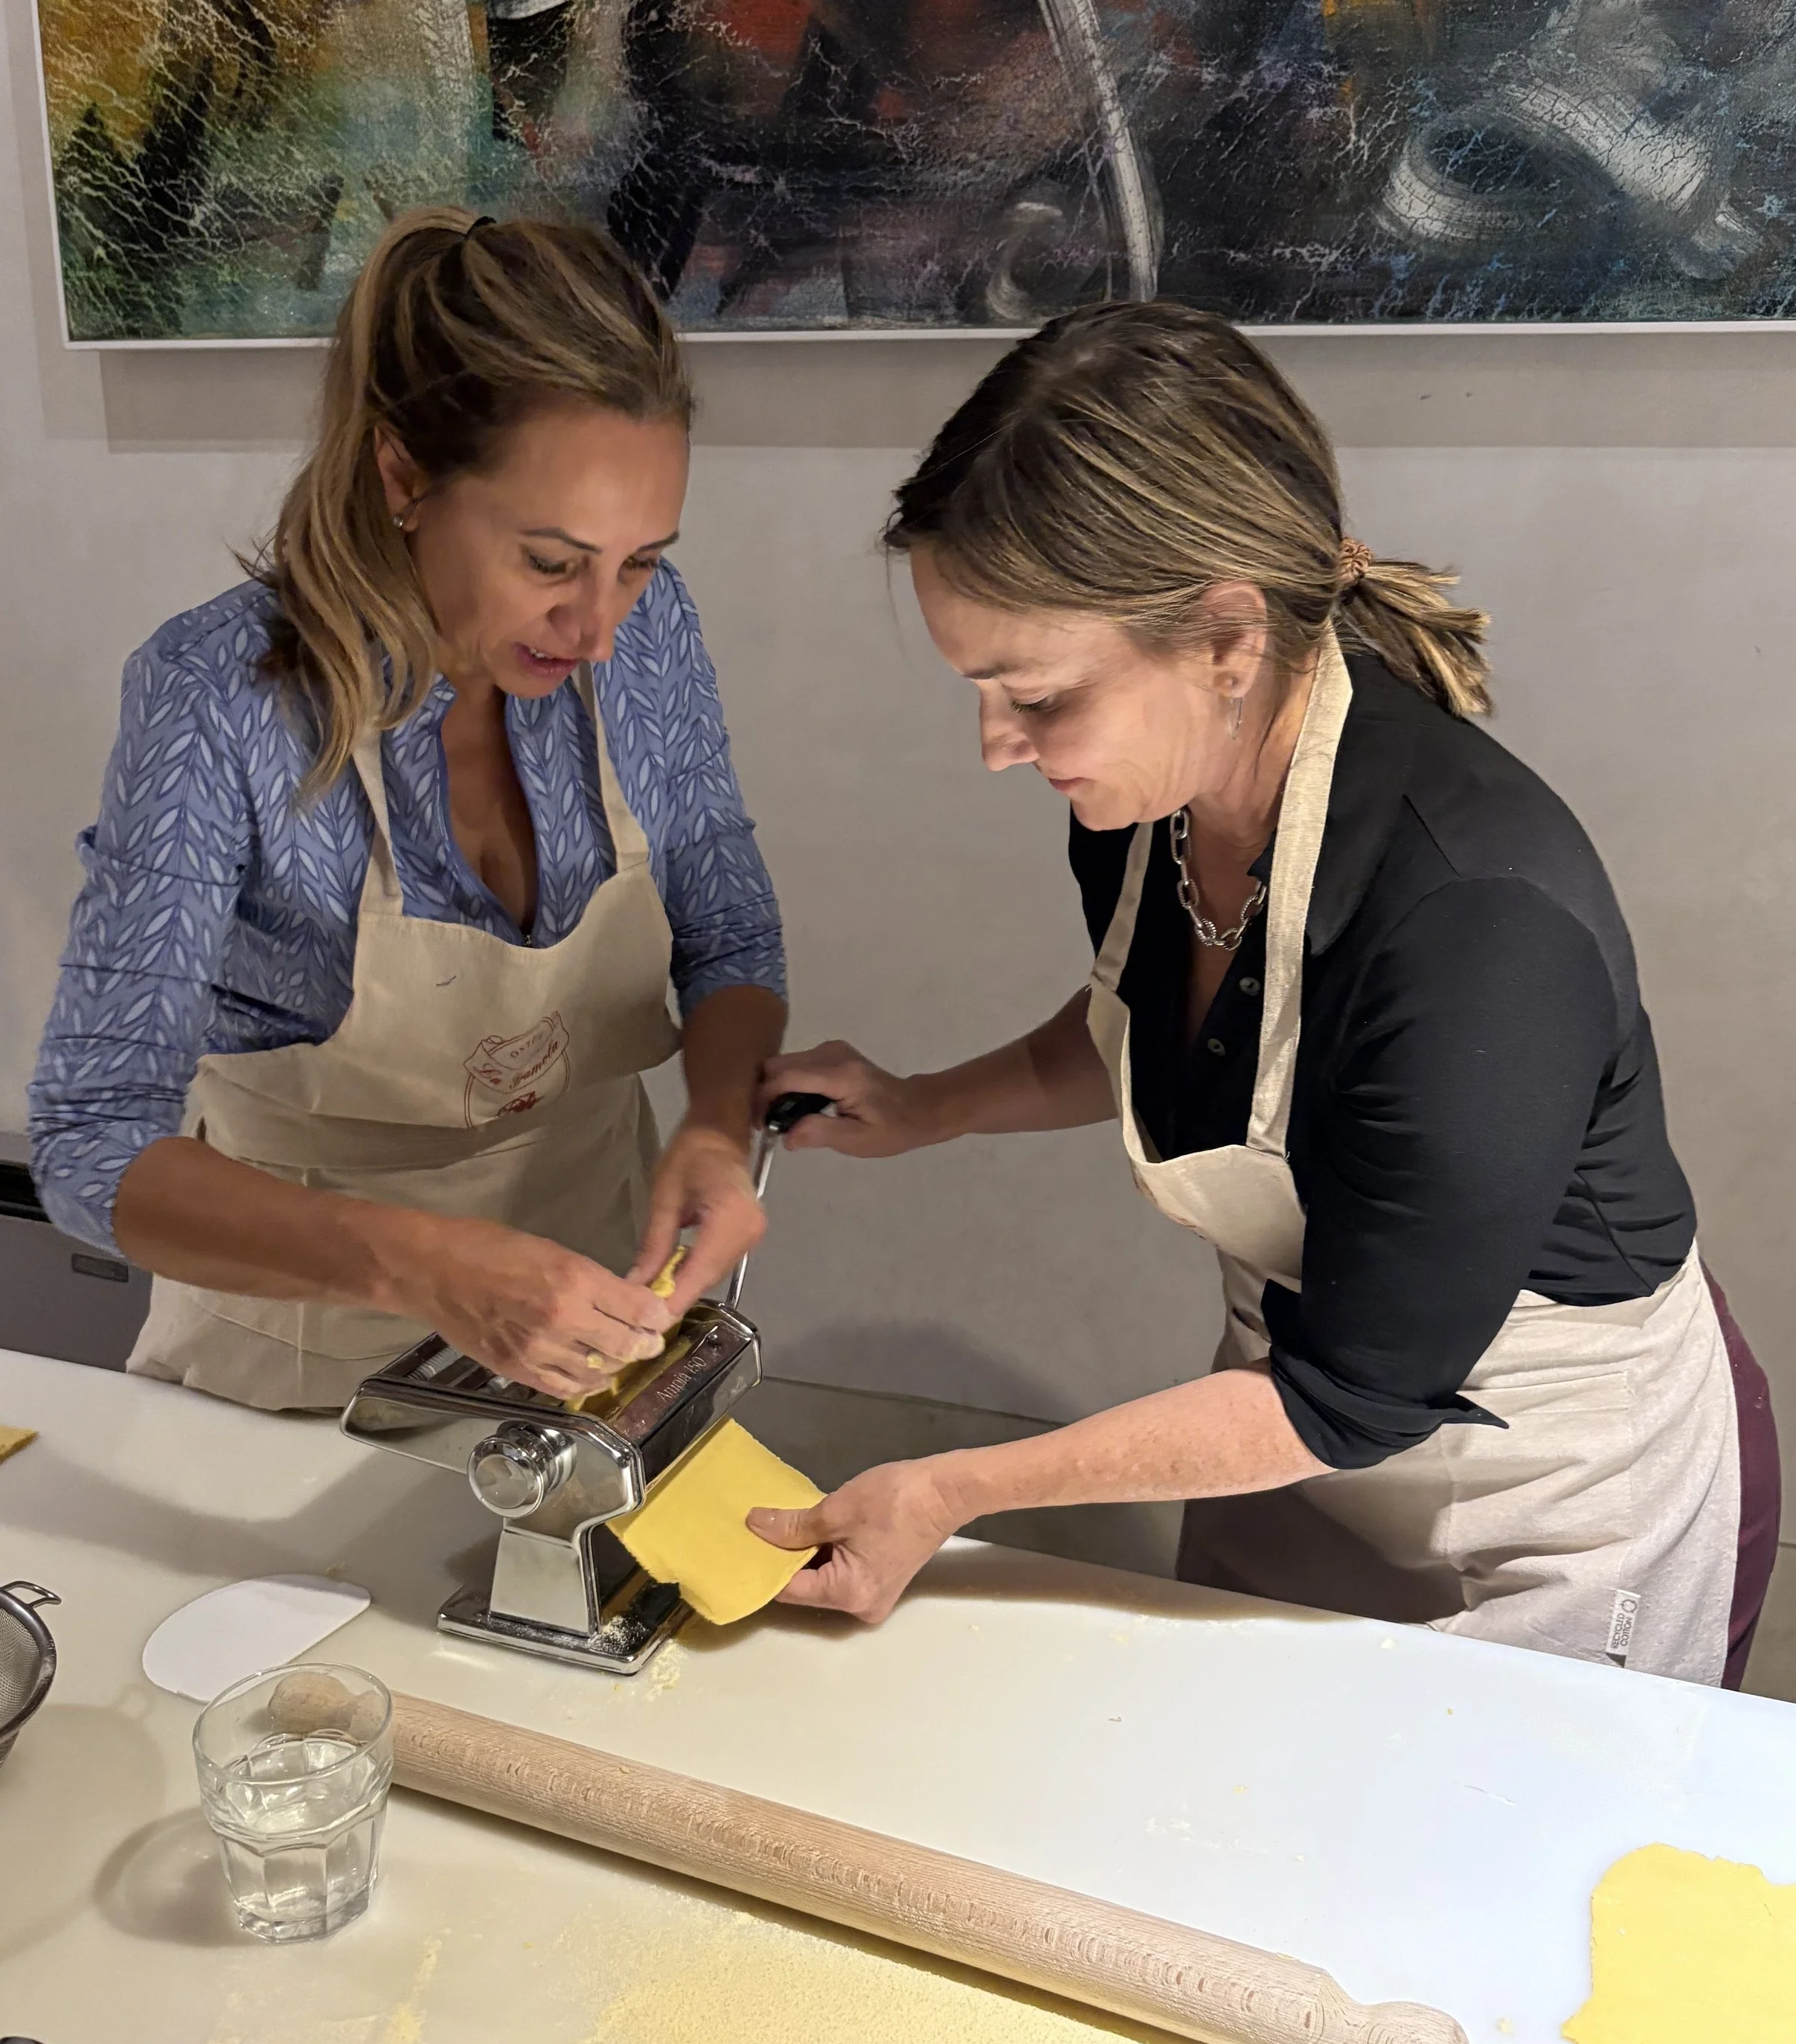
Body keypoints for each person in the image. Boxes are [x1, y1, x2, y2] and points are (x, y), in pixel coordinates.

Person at [751, 304, 1780, 1688]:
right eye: (984, 692)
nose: (998, 748)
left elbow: (1356, 1394)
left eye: (1039, 697)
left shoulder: (1474, 921)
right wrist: (925, 1107)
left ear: (1229, 639)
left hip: (1537, 1503)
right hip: (1290, 1448)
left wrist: (953, 1490)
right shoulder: (1149, 798)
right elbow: (1163, 1031)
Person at [29, 209, 784, 1411]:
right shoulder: (218, 702)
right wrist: (425, 1266)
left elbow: (727, 935)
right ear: (404, 478)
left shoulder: (646, 639)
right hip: (298, 1368)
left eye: (638, 560)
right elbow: (91, 1143)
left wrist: (713, 1123)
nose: (597, 626)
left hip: (596, 1348)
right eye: (550, 561)